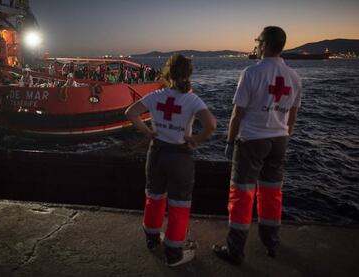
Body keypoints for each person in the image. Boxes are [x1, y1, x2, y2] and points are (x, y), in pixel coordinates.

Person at [212, 26, 302, 265]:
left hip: (252, 141)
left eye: (258, 42)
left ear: (263, 44)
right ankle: (271, 243)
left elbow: (237, 114)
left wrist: (230, 141)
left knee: (242, 196)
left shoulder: (252, 72)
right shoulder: (294, 76)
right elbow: (292, 115)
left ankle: (235, 251)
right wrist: (285, 137)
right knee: (272, 195)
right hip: (279, 141)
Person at [125, 54, 217, 267]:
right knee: (179, 204)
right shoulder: (192, 99)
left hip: (156, 153)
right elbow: (211, 125)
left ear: (168, 73)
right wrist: (195, 139)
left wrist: (148, 132)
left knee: (154, 196)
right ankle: (174, 253)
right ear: (188, 74)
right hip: (179, 156)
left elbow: (130, 113)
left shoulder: (156, 95)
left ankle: (152, 237)